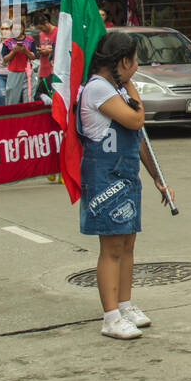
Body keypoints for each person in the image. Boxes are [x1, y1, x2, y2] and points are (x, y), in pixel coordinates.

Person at [77, 31, 172, 339]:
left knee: (128, 243)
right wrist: (130, 84)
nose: (137, 65)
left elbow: (138, 139)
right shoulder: (97, 89)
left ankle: (125, 304)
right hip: (105, 179)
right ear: (122, 61)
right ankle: (110, 316)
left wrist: (157, 177)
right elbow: (135, 120)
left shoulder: (113, 88)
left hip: (126, 175)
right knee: (111, 247)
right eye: (134, 60)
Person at [2, 21, 37, 104]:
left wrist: (25, 50)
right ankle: (12, 116)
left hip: (28, 73)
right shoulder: (7, 42)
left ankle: (29, 116)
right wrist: (14, 51)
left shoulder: (30, 40)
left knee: (29, 98)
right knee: (12, 99)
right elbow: (5, 59)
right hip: (13, 73)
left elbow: (34, 57)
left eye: (19, 28)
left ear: (23, 28)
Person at [34, 18, 57, 101]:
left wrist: (49, 51)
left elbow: (59, 49)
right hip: (43, 68)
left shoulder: (57, 32)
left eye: (41, 28)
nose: (41, 30)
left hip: (53, 69)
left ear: (46, 23)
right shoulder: (41, 34)